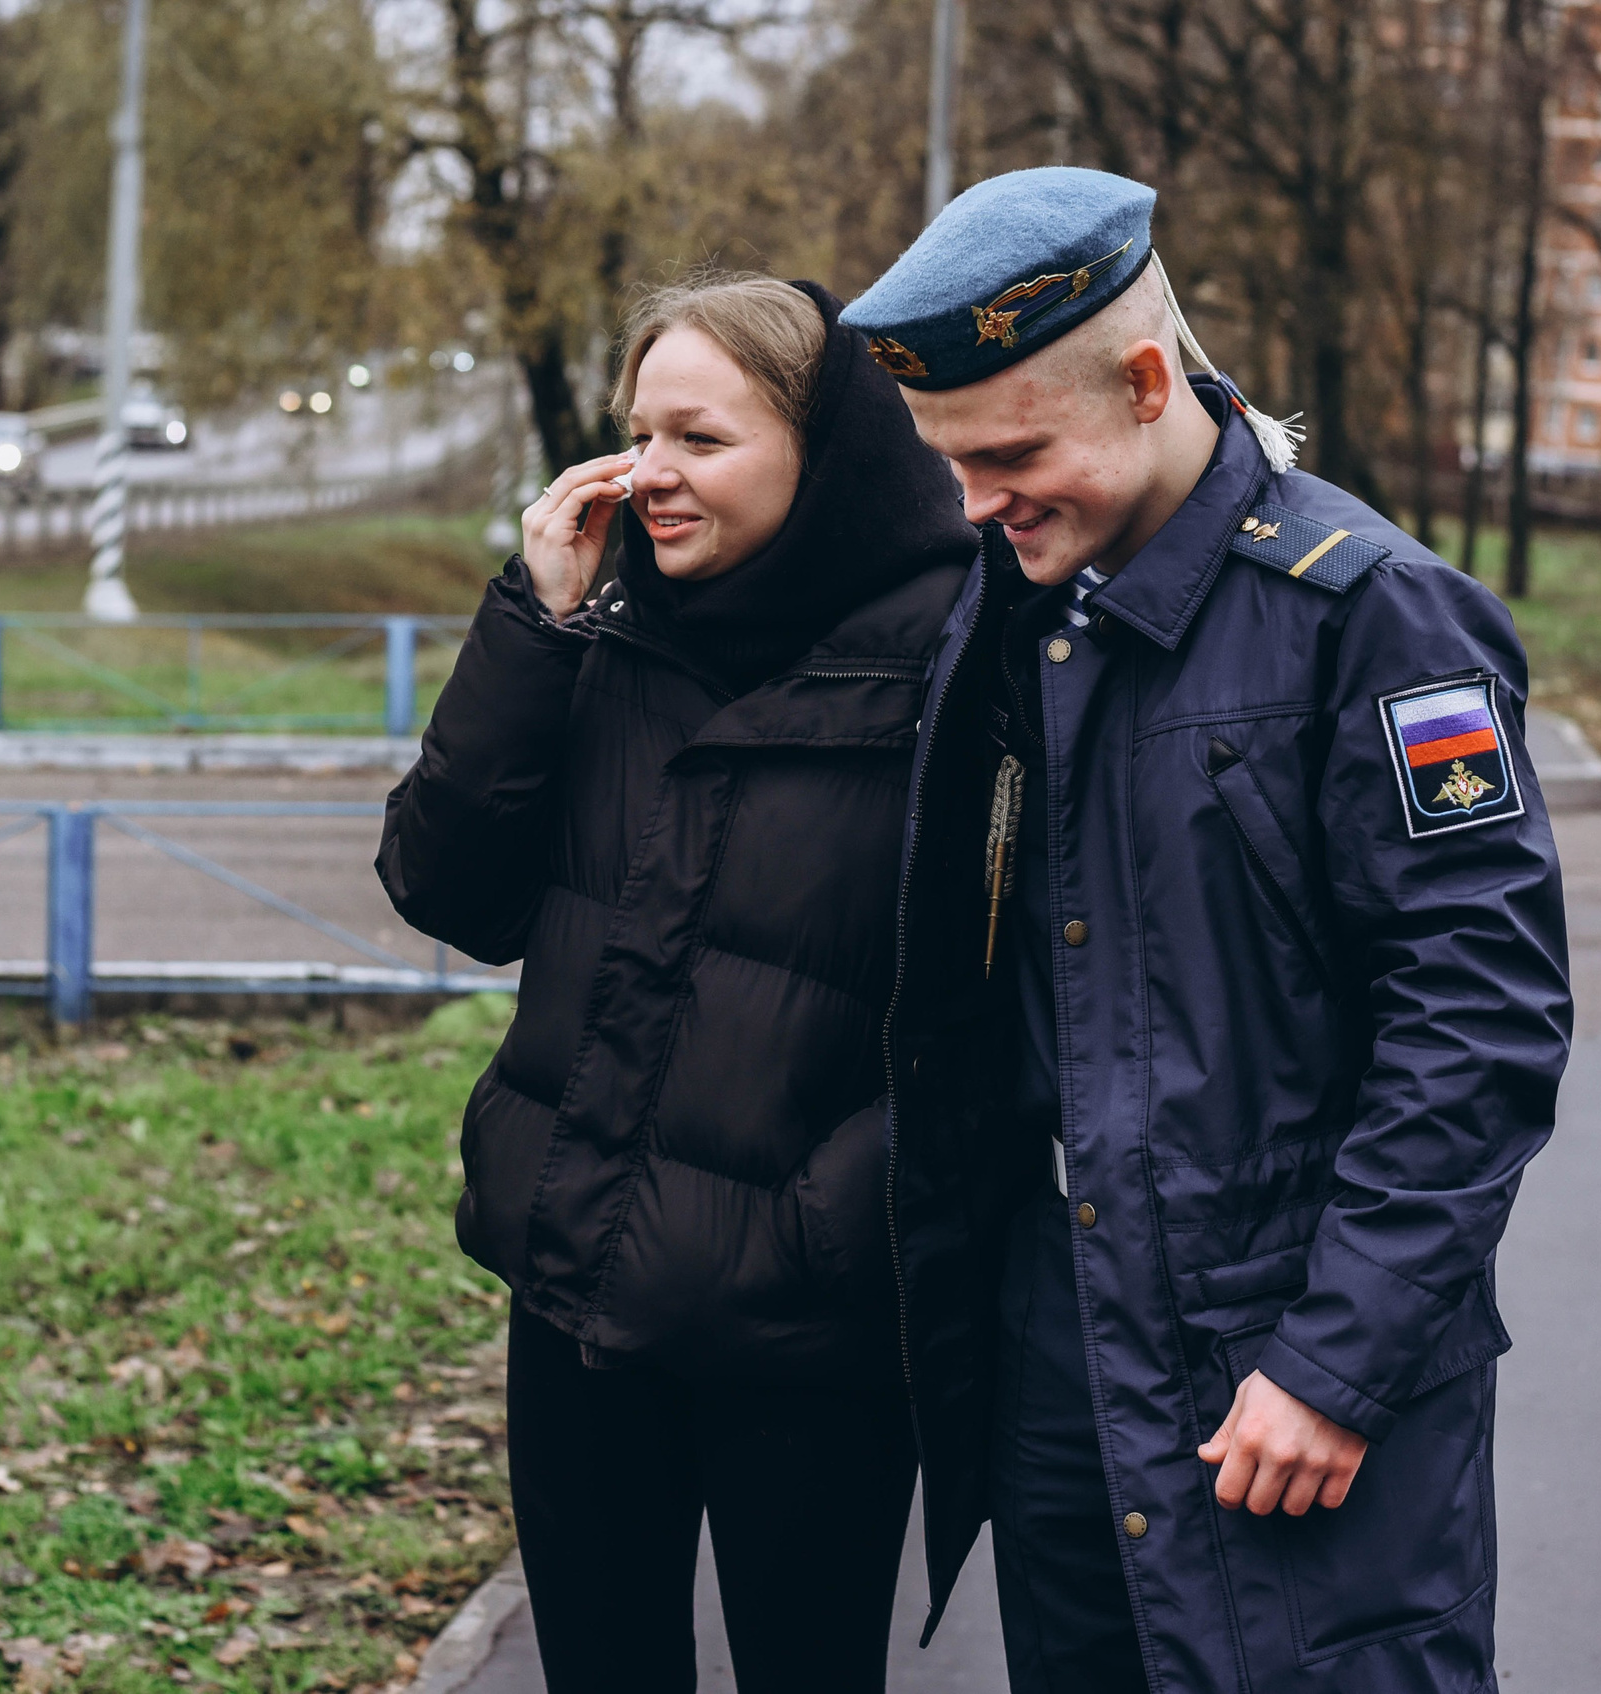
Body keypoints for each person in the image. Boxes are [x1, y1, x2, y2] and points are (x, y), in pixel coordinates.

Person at [840, 169, 1574, 1693]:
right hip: (1067, 1330)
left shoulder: (1376, 617)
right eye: (951, 467)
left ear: (1150, 379)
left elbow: (1480, 1015)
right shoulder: (1016, 595)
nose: (976, 502)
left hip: (1292, 1352)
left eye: (1012, 453)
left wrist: (1336, 1360)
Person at [375, 274, 976, 1694]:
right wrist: (533, 620)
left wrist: (836, 1216)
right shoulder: (603, 628)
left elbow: (1000, 1007)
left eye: (698, 440)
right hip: (579, 1287)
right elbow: (445, 891)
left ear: (821, 450)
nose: (648, 475)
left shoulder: (959, 661)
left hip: (805, 1321)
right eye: (638, 434)